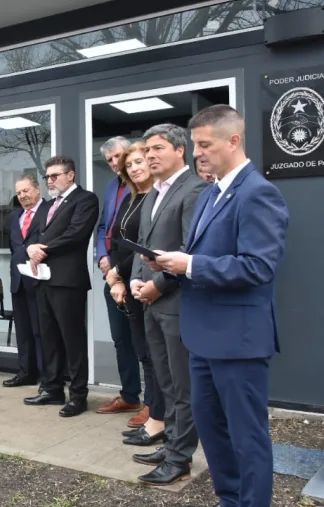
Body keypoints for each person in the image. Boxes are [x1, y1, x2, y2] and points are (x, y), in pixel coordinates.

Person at [154, 105, 289, 506]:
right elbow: (204, 254)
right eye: (195, 145)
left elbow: (258, 266)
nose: (197, 153)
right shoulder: (213, 191)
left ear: (234, 140)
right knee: (213, 434)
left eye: (204, 144)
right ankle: (230, 500)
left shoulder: (259, 192)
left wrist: (190, 264)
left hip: (238, 341)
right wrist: (169, 262)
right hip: (203, 338)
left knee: (247, 438)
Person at [128, 123, 206, 486]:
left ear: (180, 150)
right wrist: (134, 281)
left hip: (176, 304)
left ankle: (180, 458)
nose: (150, 155)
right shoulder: (154, 193)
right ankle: (172, 443)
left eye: (158, 148)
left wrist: (158, 286)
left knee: (182, 384)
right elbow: (142, 243)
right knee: (166, 382)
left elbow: (193, 250)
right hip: (150, 303)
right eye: (148, 150)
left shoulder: (194, 189)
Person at [24, 156, 99, 417]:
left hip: (68, 281)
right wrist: (30, 248)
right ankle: (52, 388)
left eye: (55, 175)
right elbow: (35, 234)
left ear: (71, 175)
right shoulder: (48, 206)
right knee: (49, 337)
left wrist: (41, 249)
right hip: (44, 279)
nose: (50, 180)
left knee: (72, 340)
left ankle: (78, 395)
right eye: (47, 177)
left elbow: (76, 234)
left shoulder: (85, 200)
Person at [104, 143, 167, 444]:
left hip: (150, 284)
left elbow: (146, 246)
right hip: (127, 284)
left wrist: (117, 272)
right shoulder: (130, 199)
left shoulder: (157, 198)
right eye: (130, 166)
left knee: (154, 353)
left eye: (138, 162)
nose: (134, 168)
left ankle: (155, 410)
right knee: (141, 349)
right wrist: (114, 278)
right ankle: (150, 407)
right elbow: (119, 243)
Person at [93, 136, 144, 416]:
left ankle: (157, 406)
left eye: (119, 157)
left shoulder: (144, 186)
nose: (115, 163)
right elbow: (105, 227)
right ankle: (129, 395)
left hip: (134, 272)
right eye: (110, 159)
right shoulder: (112, 186)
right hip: (111, 272)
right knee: (120, 338)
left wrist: (118, 268)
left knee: (145, 342)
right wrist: (103, 256)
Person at [5, 173, 49, 388]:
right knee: (23, 330)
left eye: (26, 190)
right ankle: (25, 372)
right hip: (18, 280)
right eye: (19, 192)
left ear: (37, 189)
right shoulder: (14, 217)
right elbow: (16, 247)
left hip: (40, 280)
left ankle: (46, 377)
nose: (22, 195)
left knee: (42, 331)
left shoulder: (49, 211)